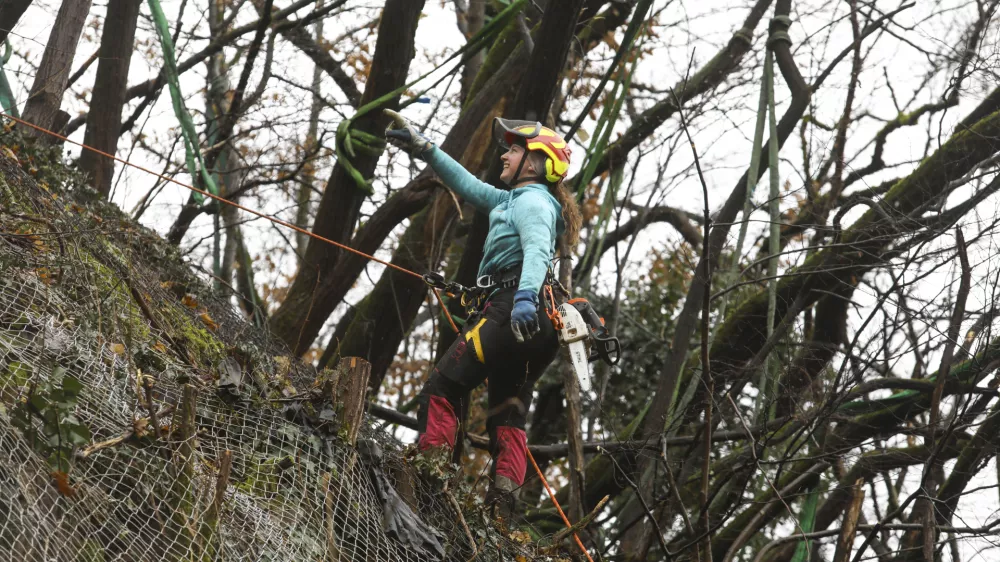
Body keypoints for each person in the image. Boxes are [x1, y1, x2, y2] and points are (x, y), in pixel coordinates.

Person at [384, 109, 581, 517]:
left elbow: (537, 250)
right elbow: (468, 185)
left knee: (442, 387)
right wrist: (427, 149)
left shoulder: (532, 203)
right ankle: (502, 510)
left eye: (513, 150)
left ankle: (427, 480)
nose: (504, 156)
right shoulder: (511, 200)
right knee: (506, 415)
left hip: (514, 308)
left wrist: (524, 297)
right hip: (535, 326)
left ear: (536, 162)